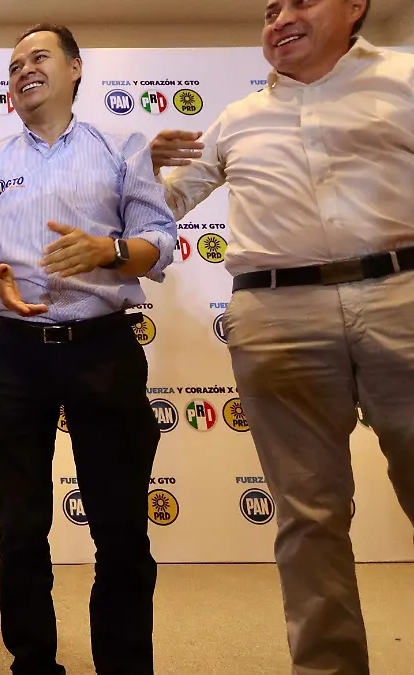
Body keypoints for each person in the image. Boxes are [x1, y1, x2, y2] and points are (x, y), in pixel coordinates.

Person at [149, 1, 414, 672]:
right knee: (307, 513)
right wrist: (140, 171)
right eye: (270, 10)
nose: (280, 19)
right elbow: (167, 203)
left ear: (354, 7)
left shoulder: (406, 79)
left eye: (300, 2)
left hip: (402, 297)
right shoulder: (236, 119)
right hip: (277, 316)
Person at [0, 23, 177, 675]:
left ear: (76, 68)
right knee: (21, 529)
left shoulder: (121, 149)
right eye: (14, 63)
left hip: (102, 349)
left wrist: (109, 250)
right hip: (12, 355)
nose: (24, 68)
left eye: (39, 56)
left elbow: (159, 240)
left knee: (121, 529)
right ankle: (33, 664)